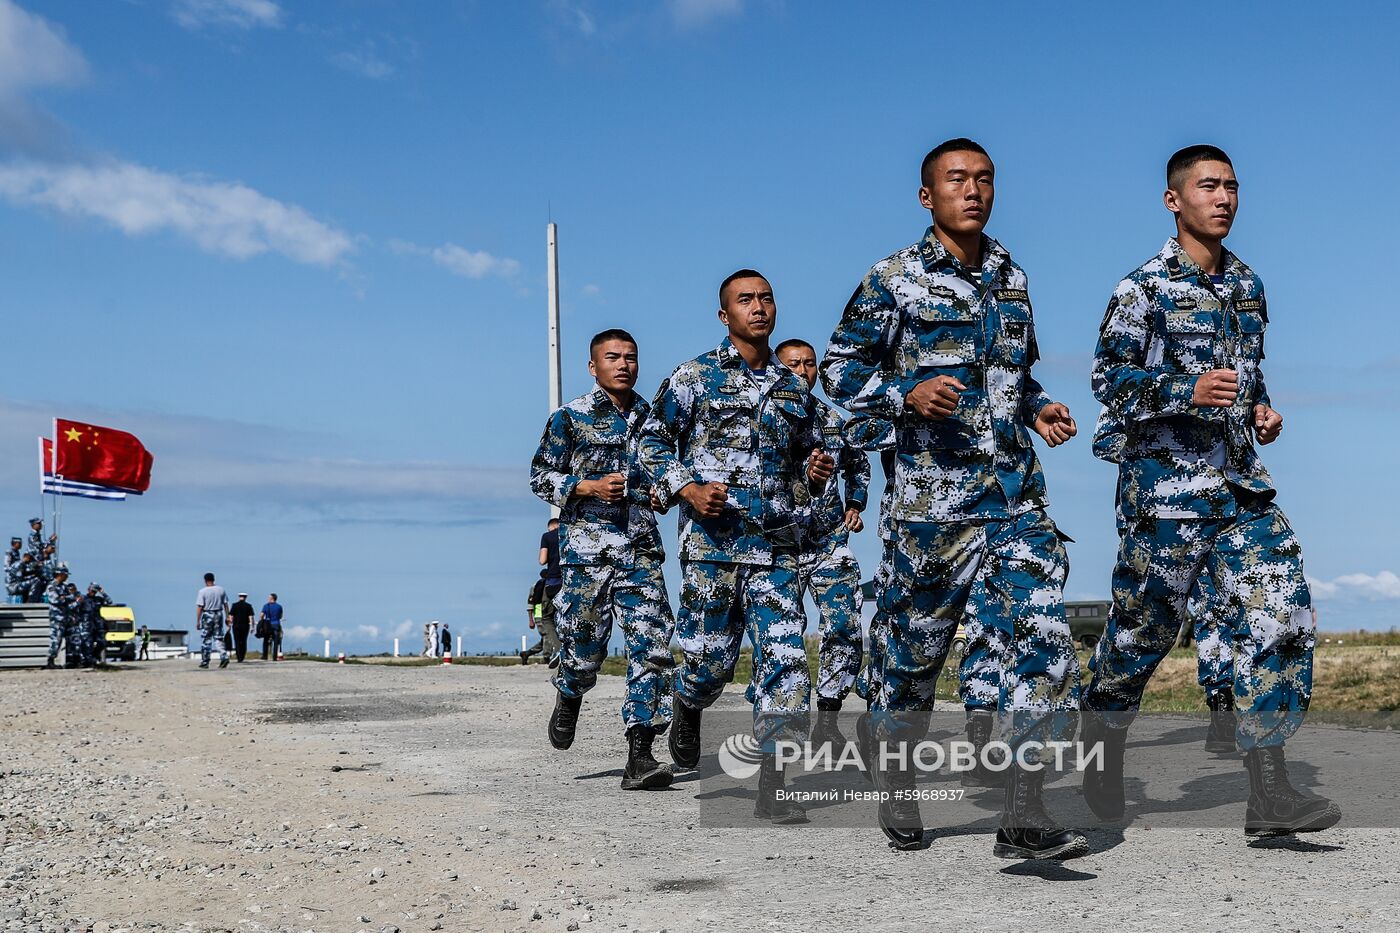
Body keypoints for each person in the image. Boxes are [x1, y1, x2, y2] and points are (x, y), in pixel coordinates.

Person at [821, 138, 1086, 859]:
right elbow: (839, 374)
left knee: (1045, 641)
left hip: (1014, 498)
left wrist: (1037, 407)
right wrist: (903, 395)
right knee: (912, 657)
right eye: (956, 179)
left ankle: (1024, 808)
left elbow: (1013, 373)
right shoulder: (894, 278)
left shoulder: (1010, 274)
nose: (973, 190)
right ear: (926, 196)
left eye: (985, 179)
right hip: (929, 509)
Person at [1083, 144, 1338, 837]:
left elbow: (1247, 376)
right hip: (1165, 492)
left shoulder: (1248, 286)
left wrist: (1260, 407)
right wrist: (1185, 390)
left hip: (1238, 486)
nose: (1223, 198)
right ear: (1174, 200)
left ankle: (1271, 789)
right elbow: (1109, 381)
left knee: (1279, 609)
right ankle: (1099, 744)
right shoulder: (1142, 289)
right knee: (1145, 633)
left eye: (1231, 187)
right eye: (1208, 186)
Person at [639, 273, 834, 820]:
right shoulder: (693, 377)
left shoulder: (793, 389)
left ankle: (775, 783)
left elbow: (812, 454)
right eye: (745, 300)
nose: (758, 307)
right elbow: (650, 442)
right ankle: (687, 700)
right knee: (710, 663)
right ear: (724, 315)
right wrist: (688, 489)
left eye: (766, 298)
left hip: (777, 547)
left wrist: (817, 471)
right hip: (712, 547)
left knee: (786, 659)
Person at [531, 328, 677, 792]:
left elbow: (668, 473)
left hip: (639, 552)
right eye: (612, 357)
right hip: (587, 556)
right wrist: (584, 487)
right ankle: (570, 691)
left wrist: (663, 494)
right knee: (585, 650)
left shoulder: (654, 420)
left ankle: (640, 753)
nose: (623, 365)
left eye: (631, 357)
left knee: (652, 648)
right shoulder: (569, 418)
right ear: (593, 367)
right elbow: (538, 476)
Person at [773, 338, 870, 747]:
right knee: (784, 639)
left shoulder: (833, 421)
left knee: (845, 627)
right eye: (793, 364)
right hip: (775, 548)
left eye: (809, 364)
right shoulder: (762, 420)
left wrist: (856, 504)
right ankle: (778, 724)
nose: (802, 371)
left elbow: (858, 463)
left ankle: (828, 717)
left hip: (828, 541)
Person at [43, 565, 81, 669]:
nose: (66, 577)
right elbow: (56, 600)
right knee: (56, 640)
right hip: (57, 619)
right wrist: (69, 597)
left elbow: (71, 598)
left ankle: (72, 661)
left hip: (66, 618)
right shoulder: (52, 586)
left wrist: (69, 598)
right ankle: (50, 661)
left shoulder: (63, 587)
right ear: (60, 575)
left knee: (72, 639)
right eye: (65, 575)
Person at [521, 578, 562, 667]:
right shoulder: (537, 586)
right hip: (540, 615)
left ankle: (527, 653)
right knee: (547, 636)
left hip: (549, 616)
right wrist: (531, 620)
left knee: (547, 639)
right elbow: (530, 603)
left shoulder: (553, 586)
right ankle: (546, 658)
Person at [196, 572, 230, 669]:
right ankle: (224, 656)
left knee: (206, 638)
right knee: (218, 637)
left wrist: (198, 621)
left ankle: (205, 661)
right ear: (214, 579)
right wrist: (227, 616)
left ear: (205, 580)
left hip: (207, 614)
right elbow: (226, 604)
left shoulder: (202, 591)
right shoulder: (221, 590)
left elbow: (200, 607)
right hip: (219, 614)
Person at [229, 593, 255, 662]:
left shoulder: (234, 605)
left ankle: (238, 657)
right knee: (244, 641)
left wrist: (229, 624)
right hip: (245, 626)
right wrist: (252, 626)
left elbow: (231, 616)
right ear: (245, 597)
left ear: (239, 597)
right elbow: (250, 617)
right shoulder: (248, 606)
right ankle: (242, 656)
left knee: (237, 641)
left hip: (236, 625)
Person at [260, 594, 283, 660]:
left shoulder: (266, 606)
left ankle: (265, 655)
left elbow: (261, 615)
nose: (267, 599)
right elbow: (281, 616)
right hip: (276, 624)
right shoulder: (279, 606)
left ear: (271, 598)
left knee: (266, 640)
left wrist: (261, 622)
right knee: (276, 641)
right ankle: (274, 657)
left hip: (268, 625)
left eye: (269, 598)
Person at [5, 538, 24, 604]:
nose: (21, 545)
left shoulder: (17, 552)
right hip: (11, 581)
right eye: (19, 543)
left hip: (17, 579)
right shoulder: (9, 552)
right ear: (15, 543)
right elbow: (6, 567)